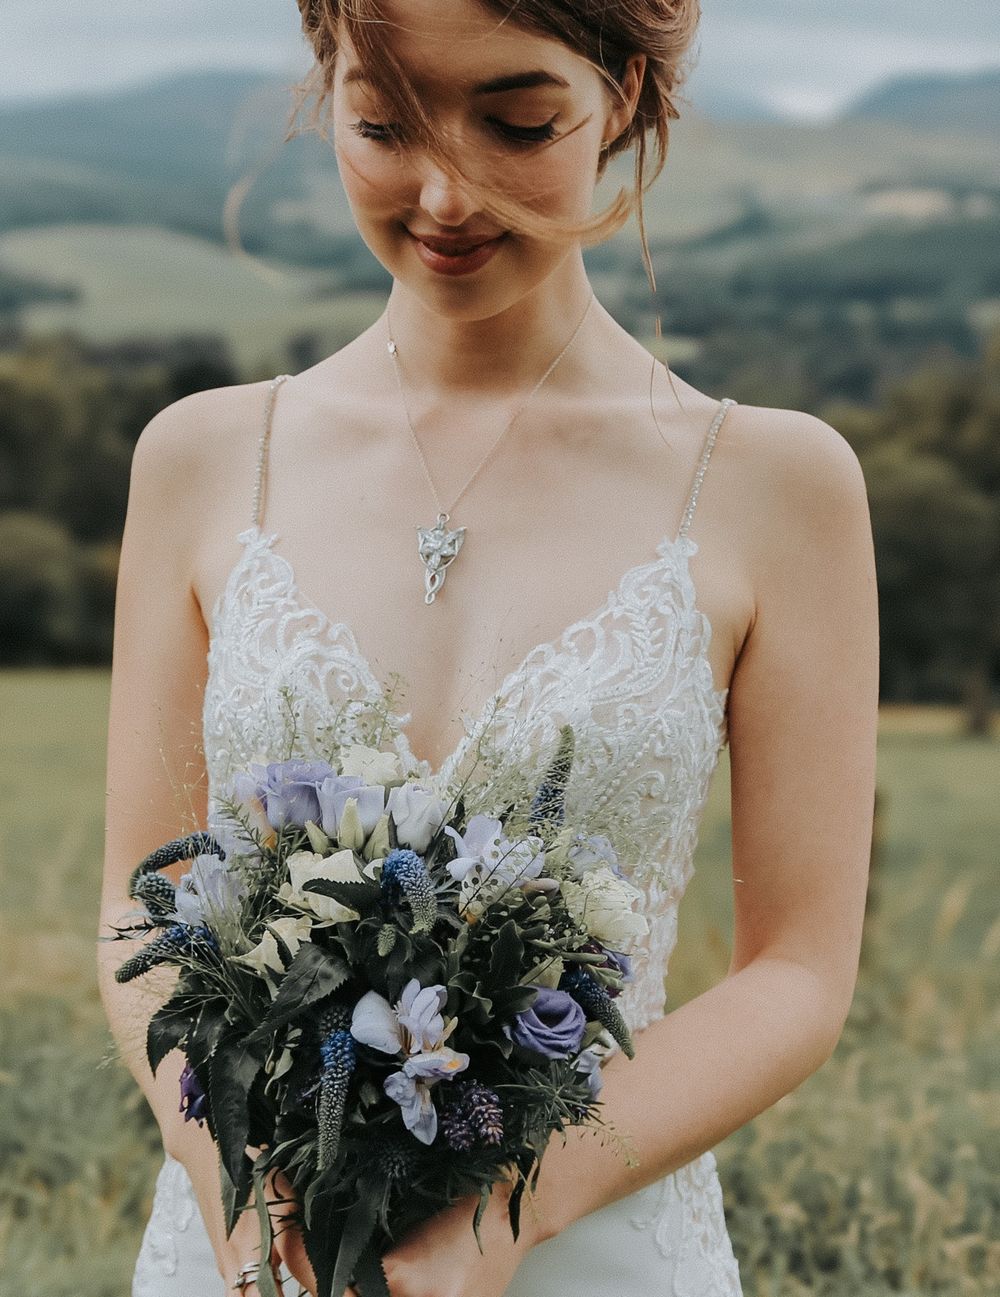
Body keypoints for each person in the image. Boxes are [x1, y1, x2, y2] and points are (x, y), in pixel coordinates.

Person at [97, 0, 880, 1294]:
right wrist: (230, 1184)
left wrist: (507, 1214)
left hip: (598, 1245)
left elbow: (797, 967)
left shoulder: (775, 486)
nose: (446, 191)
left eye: (518, 123)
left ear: (623, 96)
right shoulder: (201, 456)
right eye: (382, 124)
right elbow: (144, 895)